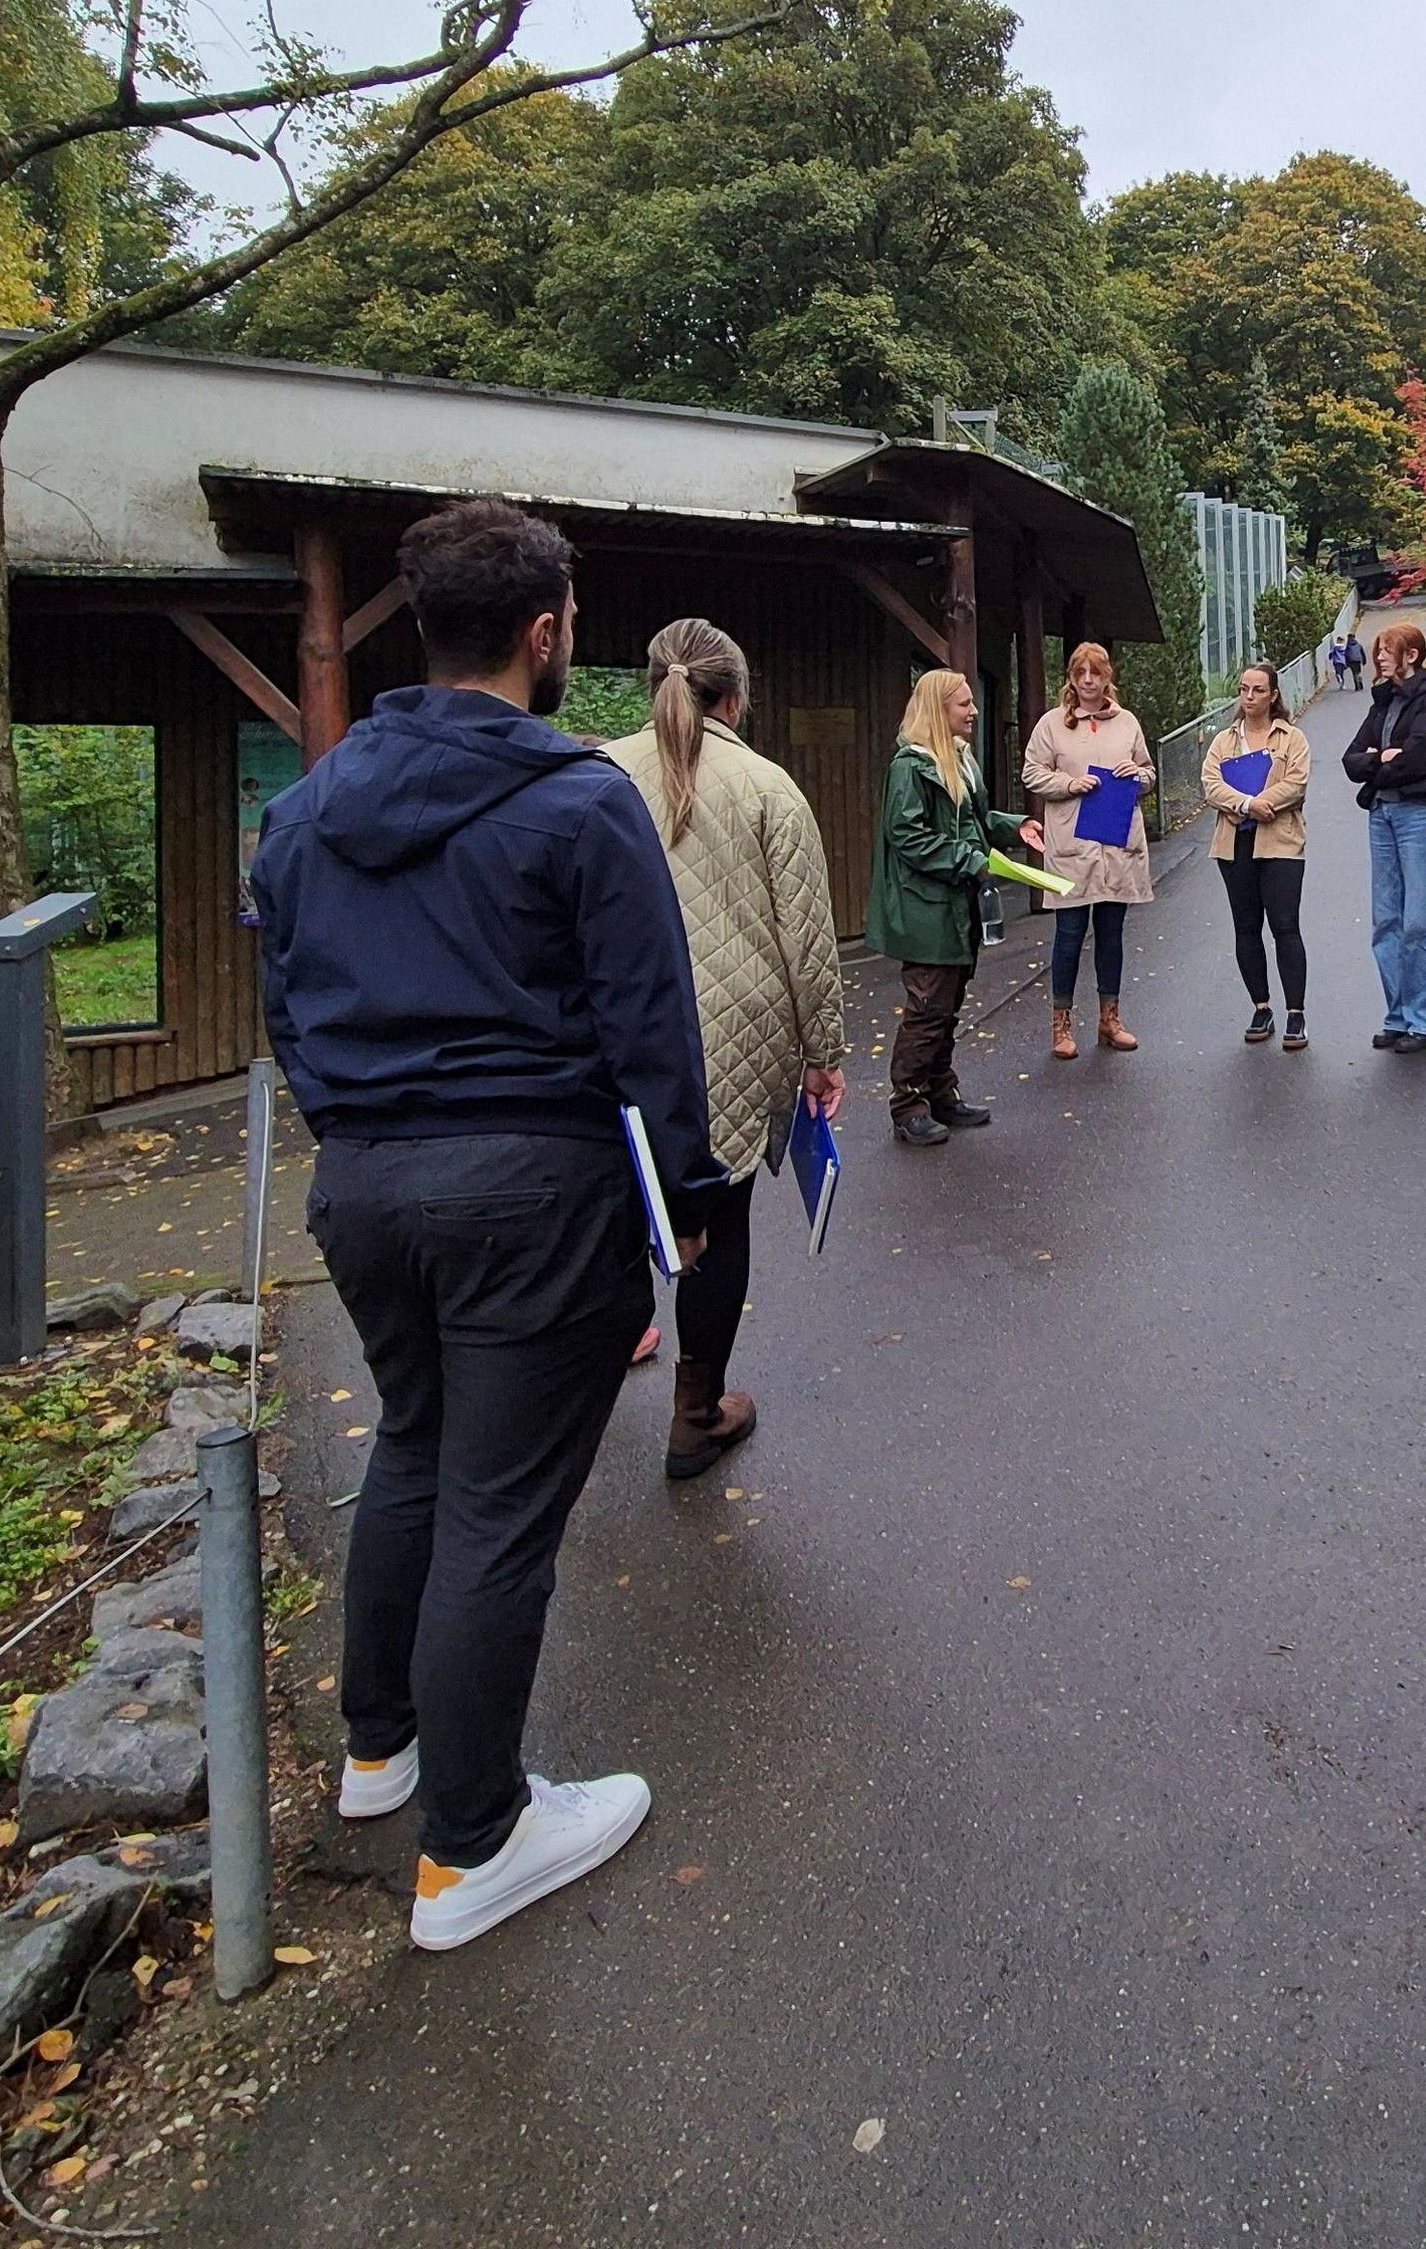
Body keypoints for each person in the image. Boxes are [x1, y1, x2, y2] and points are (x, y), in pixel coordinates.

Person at [252, 497, 700, 1952]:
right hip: (532, 1190)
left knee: (418, 1449)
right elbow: (650, 1032)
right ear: (545, 630)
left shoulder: (302, 810)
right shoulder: (577, 801)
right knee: (499, 1510)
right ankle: (475, 1841)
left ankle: (377, 1751)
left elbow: (285, 1010)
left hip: (366, 1183)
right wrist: (677, 1211)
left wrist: (360, 1133)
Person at [605, 618, 844, 1481]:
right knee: (720, 1215)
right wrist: (824, 1051)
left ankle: (575, 1399)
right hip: (738, 1034)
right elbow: (807, 938)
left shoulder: (594, 779)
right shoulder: (768, 787)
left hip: (619, 1033)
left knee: (614, 1207)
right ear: (735, 698)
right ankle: (695, 1414)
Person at [870, 669, 1045, 1146]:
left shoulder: (960, 761)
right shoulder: (911, 767)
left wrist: (1014, 827)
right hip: (926, 909)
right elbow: (907, 835)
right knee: (928, 1006)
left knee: (947, 1004)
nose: (973, 711)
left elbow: (972, 821)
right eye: (963, 704)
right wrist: (971, 860)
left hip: (956, 906)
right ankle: (907, 1104)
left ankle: (940, 1092)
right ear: (937, 710)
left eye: (971, 702)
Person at [1021, 642, 1158, 1061]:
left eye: (1094, 674)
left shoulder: (1127, 723)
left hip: (1116, 845)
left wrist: (1138, 775)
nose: (1087, 682)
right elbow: (1031, 773)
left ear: (1106, 677)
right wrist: (1068, 784)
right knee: (1069, 935)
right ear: (1071, 678)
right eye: (1079, 674)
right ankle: (1061, 1024)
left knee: (1112, 935)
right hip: (1073, 847)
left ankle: (1109, 1019)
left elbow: (1150, 775)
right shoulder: (1052, 725)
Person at [1343, 621, 1426, 1050]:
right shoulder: (1385, 702)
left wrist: (1382, 761)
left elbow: (1417, 761)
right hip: (1382, 813)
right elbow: (1351, 759)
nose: (1379, 657)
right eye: (1377, 651)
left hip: (1419, 816)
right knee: (1387, 920)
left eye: (1386, 650)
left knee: (1421, 922)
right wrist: (1380, 759)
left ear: (1411, 654)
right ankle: (1400, 1016)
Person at [1200, 661, 1316, 1046]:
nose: (1249, 697)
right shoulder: (1224, 741)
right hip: (1235, 843)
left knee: (1285, 926)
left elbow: (1296, 784)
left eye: (1257, 690)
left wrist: (1263, 803)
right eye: (1244, 690)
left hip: (1280, 842)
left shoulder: (1291, 738)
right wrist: (1248, 805)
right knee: (1246, 926)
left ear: (1273, 695)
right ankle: (1261, 1006)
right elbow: (1211, 785)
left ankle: (1295, 1013)